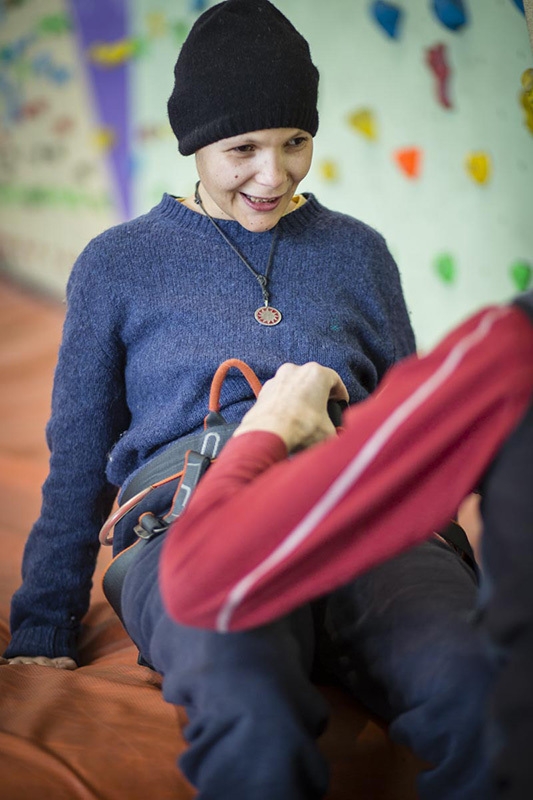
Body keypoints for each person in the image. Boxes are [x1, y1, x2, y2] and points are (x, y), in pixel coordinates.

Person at [0, 1, 496, 798]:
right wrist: (43, 623)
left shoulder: (359, 253)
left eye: (295, 141)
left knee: (476, 684)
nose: (274, 175)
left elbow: (410, 434)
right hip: (190, 518)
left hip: (357, 511)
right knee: (248, 699)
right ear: (192, 142)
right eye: (243, 149)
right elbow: (79, 455)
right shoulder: (118, 263)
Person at [159, 291, 533, 800]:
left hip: (346, 490)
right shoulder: (510, 354)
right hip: (203, 486)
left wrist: (269, 427)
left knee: (469, 683)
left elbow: (200, 570)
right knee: (248, 698)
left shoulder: (509, 350)